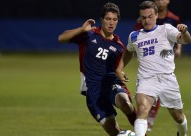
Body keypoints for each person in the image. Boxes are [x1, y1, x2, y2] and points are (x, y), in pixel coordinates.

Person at [58, 2, 136, 136]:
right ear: (101, 19)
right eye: (108, 19)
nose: (111, 23)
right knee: (114, 132)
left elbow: (119, 69)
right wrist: (81, 30)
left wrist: (121, 73)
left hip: (112, 84)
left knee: (125, 103)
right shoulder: (88, 35)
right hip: (93, 91)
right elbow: (62, 38)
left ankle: (142, 132)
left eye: (114, 19)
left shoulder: (118, 47)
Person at [116, 1, 191, 136]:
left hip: (167, 79)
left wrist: (184, 32)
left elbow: (185, 40)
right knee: (143, 109)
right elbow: (128, 51)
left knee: (178, 116)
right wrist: (119, 69)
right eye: (143, 17)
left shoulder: (166, 29)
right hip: (146, 79)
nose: (147, 20)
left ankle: (182, 134)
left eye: (150, 16)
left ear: (156, 15)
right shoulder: (134, 36)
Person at [133, 0, 183, 131]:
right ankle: (149, 119)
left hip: (165, 61)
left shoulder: (173, 20)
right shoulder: (142, 20)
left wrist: (178, 49)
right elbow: (136, 38)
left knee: (177, 115)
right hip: (147, 70)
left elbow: (180, 36)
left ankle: (182, 131)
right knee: (144, 103)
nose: (161, 1)